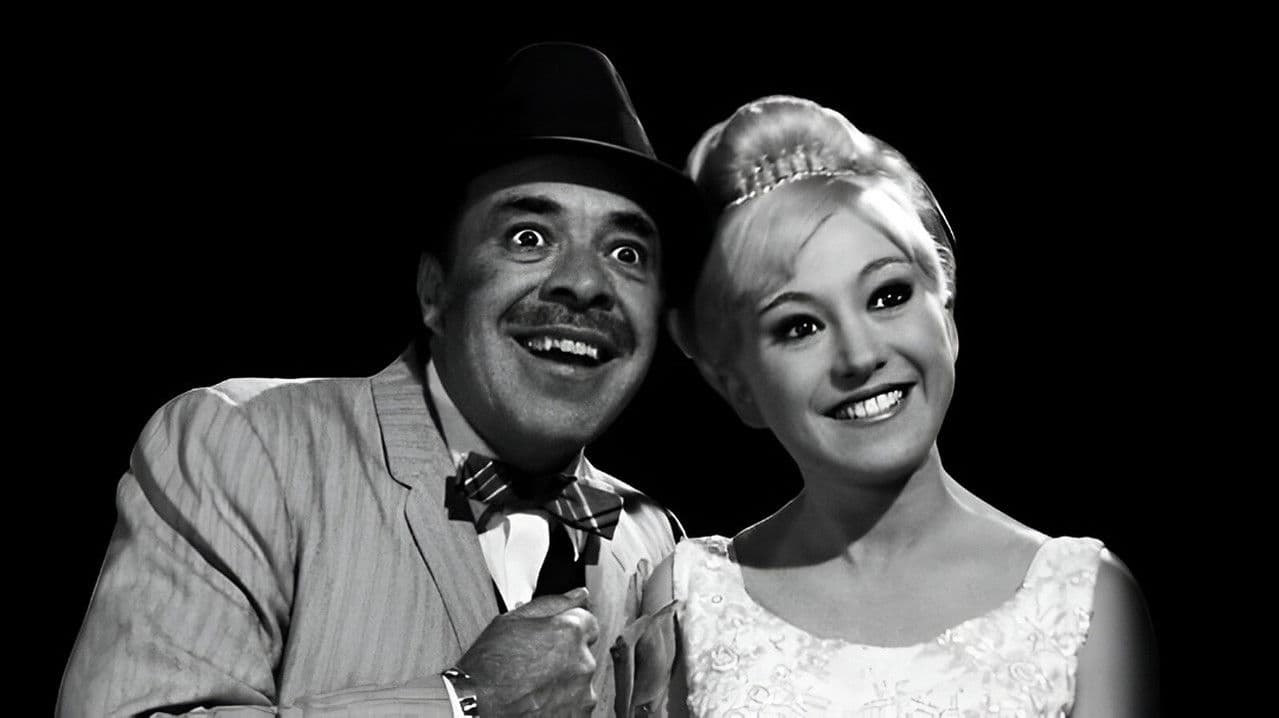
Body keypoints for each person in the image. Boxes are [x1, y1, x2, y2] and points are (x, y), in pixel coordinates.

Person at [59, 43, 707, 717]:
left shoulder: (655, 539)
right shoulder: (242, 444)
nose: (584, 283)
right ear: (434, 291)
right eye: (528, 237)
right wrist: (465, 703)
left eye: (626, 252)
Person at [640, 96, 1158, 716]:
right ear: (738, 387)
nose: (859, 355)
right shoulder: (687, 600)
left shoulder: (1087, 602)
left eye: (888, 295)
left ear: (948, 317)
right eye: (800, 326)